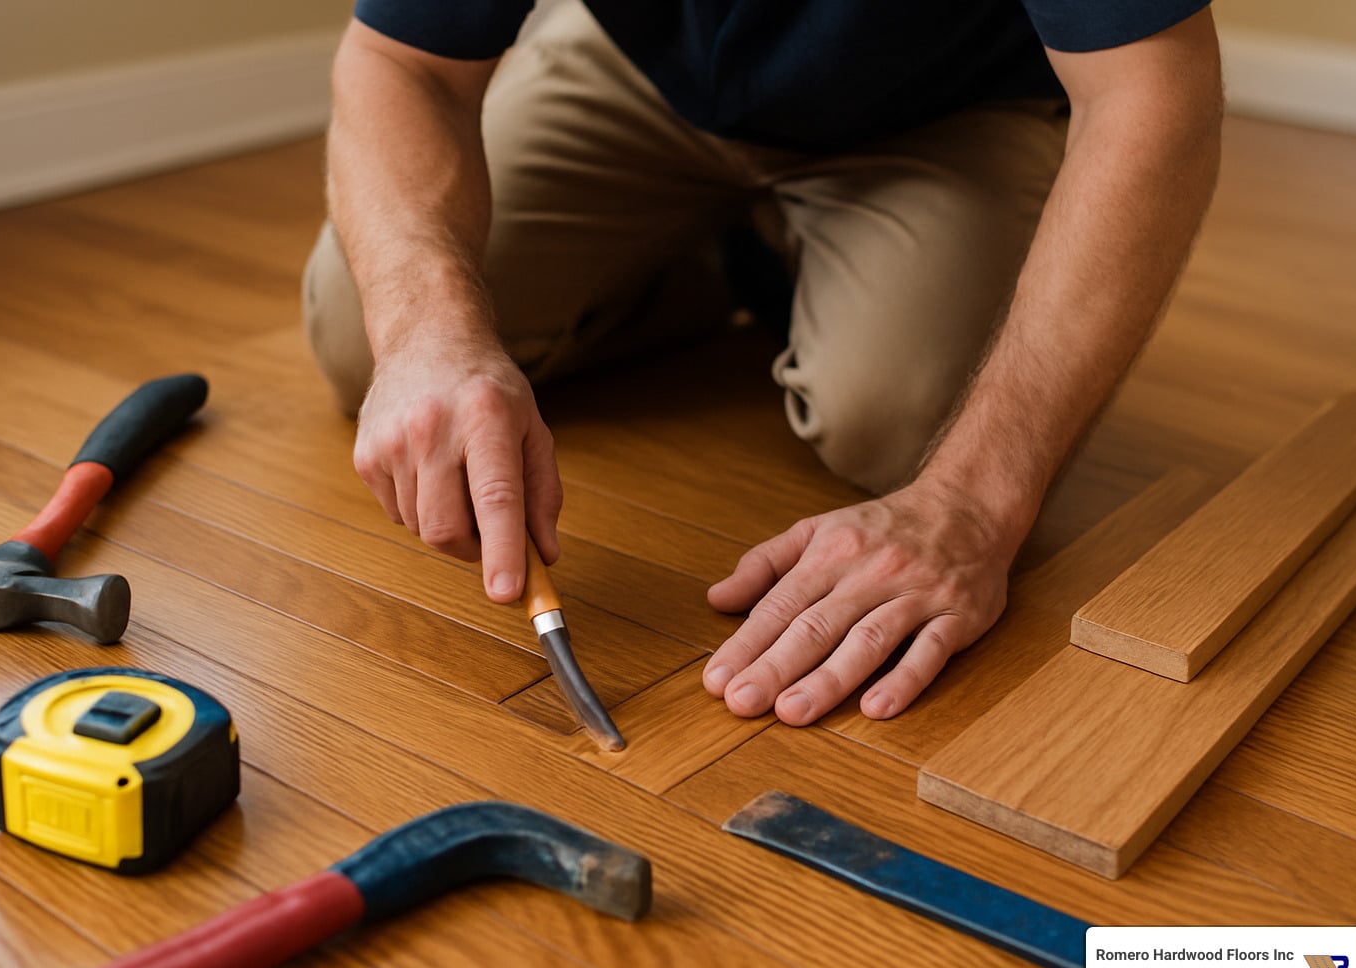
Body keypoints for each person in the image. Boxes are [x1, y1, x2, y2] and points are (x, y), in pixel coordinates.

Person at [302, 0, 1223, 725]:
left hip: (944, 106)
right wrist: (429, 333)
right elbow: (400, 62)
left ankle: (782, 256)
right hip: (647, 70)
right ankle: (731, 257)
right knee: (365, 333)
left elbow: (1149, 93)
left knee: (905, 425)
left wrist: (976, 504)